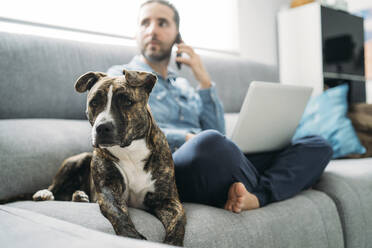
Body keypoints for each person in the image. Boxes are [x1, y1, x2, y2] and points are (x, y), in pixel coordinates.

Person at [107, 0, 333, 213]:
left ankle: (256, 196)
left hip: (215, 161)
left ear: (178, 35)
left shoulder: (184, 86)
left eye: (162, 23)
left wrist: (204, 81)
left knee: (317, 144)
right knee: (209, 144)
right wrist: (186, 137)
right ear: (136, 32)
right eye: (144, 23)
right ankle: (281, 183)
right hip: (166, 167)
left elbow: (218, 131)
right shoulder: (119, 77)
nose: (152, 30)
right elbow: (124, 129)